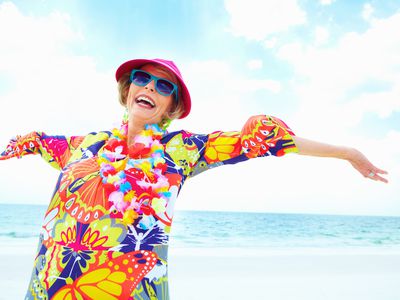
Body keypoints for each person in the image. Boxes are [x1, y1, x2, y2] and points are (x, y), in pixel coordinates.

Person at [0, 58, 388, 300]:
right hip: (52, 286)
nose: (150, 87)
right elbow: (30, 141)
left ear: (173, 105)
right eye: (142, 78)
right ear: (128, 88)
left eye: (163, 85)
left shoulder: (180, 150)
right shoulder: (80, 145)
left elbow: (260, 140)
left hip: (130, 289)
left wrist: (346, 152)